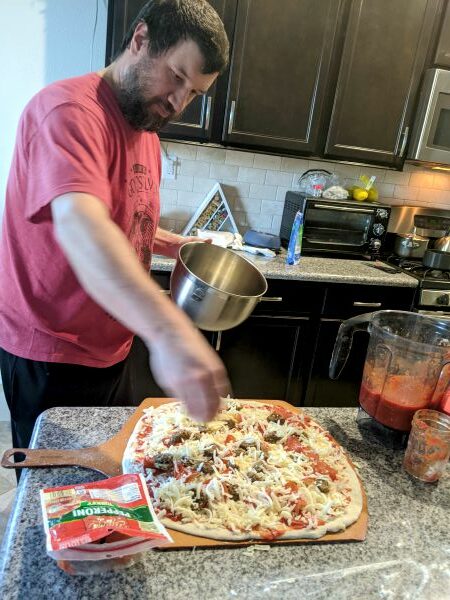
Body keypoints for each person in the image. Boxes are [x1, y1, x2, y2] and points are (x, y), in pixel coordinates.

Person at [0, 0, 231, 452]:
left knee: (112, 480)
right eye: (178, 77)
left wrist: (175, 245)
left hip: (112, 347)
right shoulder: (68, 112)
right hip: (52, 351)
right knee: (60, 496)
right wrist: (169, 332)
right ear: (140, 39)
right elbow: (82, 226)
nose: (179, 102)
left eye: (195, 94)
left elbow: (123, 219)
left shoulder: (144, 129)